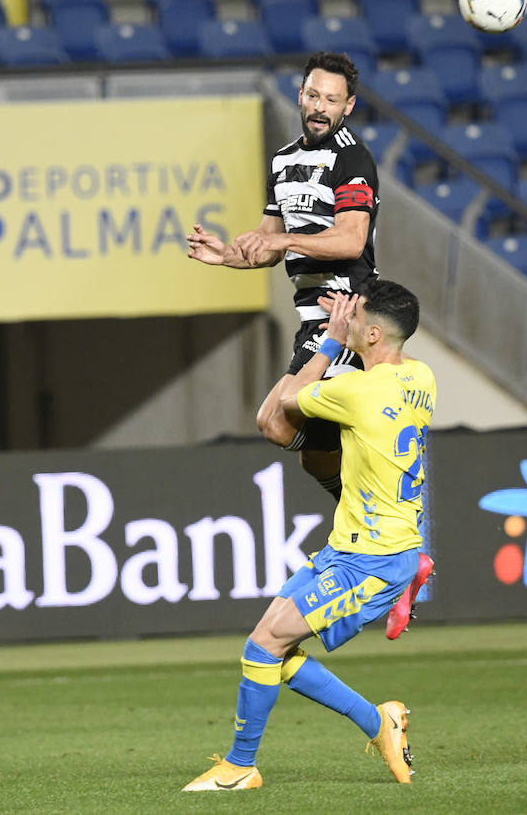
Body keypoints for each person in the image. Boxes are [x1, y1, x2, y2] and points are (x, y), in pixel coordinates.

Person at [182, 279, 436, 792]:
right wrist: (354, 336)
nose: (344, 318)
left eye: (353, 314)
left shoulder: (359, 391)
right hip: (355, 545)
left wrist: (328, 342)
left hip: (374, 559)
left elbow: (282, 404)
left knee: (264, 645)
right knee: (268, 648)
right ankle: (376, 721)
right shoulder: (421, 376)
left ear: (368, 331)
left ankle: (239, 768)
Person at [187, 50, 380, 502]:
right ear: (300, 95)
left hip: (346, 313)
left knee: (275, 422)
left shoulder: (353, 160)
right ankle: (367, 510)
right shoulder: (283, 160)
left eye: (331, 100)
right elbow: (268, 242)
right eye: (313, 95)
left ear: (347, 107)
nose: (320, 107)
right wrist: (229, 255)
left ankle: (377, 505)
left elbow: (351, 240)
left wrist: (283, 242)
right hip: (310, 318)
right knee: (312, 455)